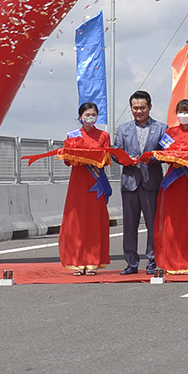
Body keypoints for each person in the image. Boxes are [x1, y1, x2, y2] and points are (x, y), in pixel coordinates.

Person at [112, 90, 167, 275]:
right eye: (135, 108)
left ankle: (152, 262)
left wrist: (151, 159)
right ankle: (131, 263)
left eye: (142, 107)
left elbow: (167, 154)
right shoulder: (123, 129)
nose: (139, 111)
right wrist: (126, 159)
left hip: (151, 182)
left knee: (152, 225)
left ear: (149, 107)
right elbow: (115, 152)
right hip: (130, 182)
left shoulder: (161, 128)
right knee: (129, 226)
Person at [153, 99, 188, 275]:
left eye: (187, 111)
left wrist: (186, 157)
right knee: (172, 223)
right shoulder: (169, 133)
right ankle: (171, 262)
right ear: (176, 114)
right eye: (181, 112)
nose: (184, 115)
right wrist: (177, 157)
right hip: (173, 181)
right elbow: (164, 156)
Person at [59, 102, 112, 275]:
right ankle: (77, 260)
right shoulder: (72, 135)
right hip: (78, 183)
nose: (90, 117)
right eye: (87, 115)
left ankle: (92, 260)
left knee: (94, 221)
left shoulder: (103, 135)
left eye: (93, 114)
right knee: (77, 222)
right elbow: (67, 159)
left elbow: (106, 158)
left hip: (96, 183)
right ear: (80, 117)